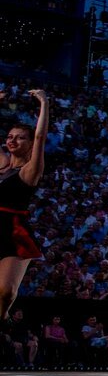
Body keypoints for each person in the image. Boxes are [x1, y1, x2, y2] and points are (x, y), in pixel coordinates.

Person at [0, 88, 50, 319]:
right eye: (10, 137)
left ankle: (3, 317)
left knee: (6, 291)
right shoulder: (2, 164)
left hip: (13, 229)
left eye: (20, 137)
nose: (13, 140)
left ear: (29, 143)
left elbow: (40, 137)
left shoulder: (30, 170)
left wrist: (44, 103)